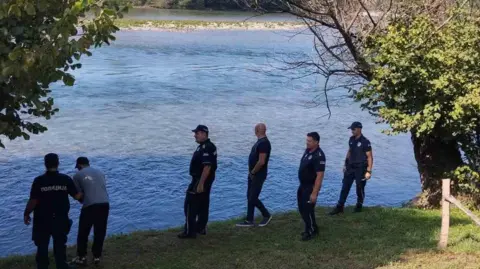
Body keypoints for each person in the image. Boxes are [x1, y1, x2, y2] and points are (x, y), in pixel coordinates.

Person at [23, 153, 83, 269]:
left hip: (42, 219)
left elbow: (33, 200)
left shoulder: (39, 181)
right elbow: (77, 196)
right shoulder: (65, 179)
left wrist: (26, 214)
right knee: (60, 244)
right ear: (58, 163)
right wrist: (85, 189)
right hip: (60, 218)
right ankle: (61, 265)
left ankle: (42, 266)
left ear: (45, 164)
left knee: (42, 245)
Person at [178, 125, 218, 239]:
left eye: (197, 133)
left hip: (200, 180)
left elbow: (207, 166)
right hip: (204, 180)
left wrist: (200, 183)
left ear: (204, 134)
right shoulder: (204, 146)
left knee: (190, 204)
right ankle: (201, 227)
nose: (194, 135)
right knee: (203, 204)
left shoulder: (207, 147)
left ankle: (190, 232)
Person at [71, 157, 110, 266]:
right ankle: (97, 256)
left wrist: (80, 200)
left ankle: (82, 257)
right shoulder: (100, 172)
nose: (77, 169)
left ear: (79, 165)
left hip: (90, 205)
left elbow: (79, 195)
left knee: (83, 231)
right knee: (100, 231)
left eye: (77, 167)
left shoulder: (77, 176)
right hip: (104, 203)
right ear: (88, 163)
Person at [329, 121, 373, 215]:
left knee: (359, 187)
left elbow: (369, 156)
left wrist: (368, 171)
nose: (352, 131)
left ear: (359, 129)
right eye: (351, 129)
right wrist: (345, 164)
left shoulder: (365, 142)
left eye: (353, 129)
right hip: (350, 167)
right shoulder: (351, 139)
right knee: (345, 186)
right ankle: (340, 207)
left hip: (361, 168)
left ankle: (359, 205)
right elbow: (349, 151)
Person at [236, 123, 272, 227]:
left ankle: (266, 215)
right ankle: (249, 219)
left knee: (252, 197)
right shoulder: (260, 142)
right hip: (253, 174)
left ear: (256, 131)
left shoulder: (264, 143)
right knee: (250, 196)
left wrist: (253, 172)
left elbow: (261, 162)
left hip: (258, 174)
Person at [297, 132, 326, 241]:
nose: (307, 143)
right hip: (302, 185)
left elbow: (320, 176)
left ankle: (310, 231)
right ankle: (312, 227)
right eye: (307, 140)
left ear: (316, 142)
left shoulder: (319, 156)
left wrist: (314, 193)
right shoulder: (307, 151)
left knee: (307, 209)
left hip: (310, 186)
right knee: (302, 208)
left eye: (309, 141)